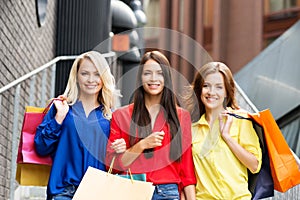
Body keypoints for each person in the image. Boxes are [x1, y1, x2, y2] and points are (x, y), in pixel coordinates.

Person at [34, 51, 125, 200]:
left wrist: (120, 150)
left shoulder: (111, 117)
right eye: (85, 73)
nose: (91, 79)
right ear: (76, 77)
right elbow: (41, 148)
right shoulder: (61, 108)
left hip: (96, 193)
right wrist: (58, 118)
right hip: (63, 192)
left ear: (103, 78)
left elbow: (115, 166)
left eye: (97, 74)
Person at [106, 51, 196, 200]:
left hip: (168, 192)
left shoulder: (181, 117)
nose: (153, 79)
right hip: (132, 191)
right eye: (147, 73)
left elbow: (186, 169)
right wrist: (142, 145)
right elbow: (115, 166)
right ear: (140, 78)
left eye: (159, 73)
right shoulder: (121, 116)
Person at [185, 62, 262, 199]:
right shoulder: (191, 129)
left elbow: (254, 165)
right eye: (206, 86)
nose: (211, 92)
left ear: (227, 91)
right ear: (199, 89)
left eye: (219, 87)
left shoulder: (241, 120)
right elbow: (186, 173)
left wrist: (227, 137)